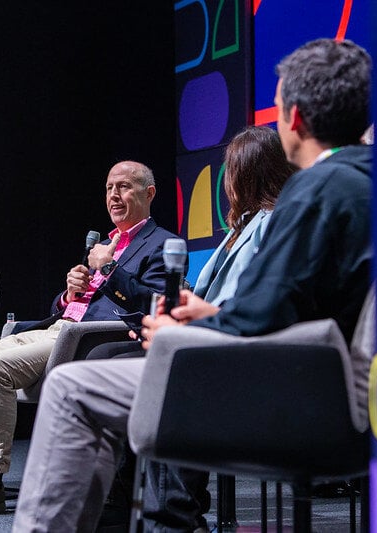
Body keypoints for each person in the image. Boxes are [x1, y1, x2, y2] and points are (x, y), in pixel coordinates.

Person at [12, 37, 372, 532]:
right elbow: (300, 304)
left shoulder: (315, 189)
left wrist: (188, 333)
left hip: (295, 389)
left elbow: (261, 318)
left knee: (73, 387)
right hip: (344, 385)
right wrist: (205, 317)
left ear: (295, 117)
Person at [0, 160, 178, 517]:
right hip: (51, 329)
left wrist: (108, 269)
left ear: (148, 194)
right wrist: (69, 294)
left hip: (84, 341)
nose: (114, 196)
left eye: (124, 187)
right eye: (108, 188)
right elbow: (71, 305)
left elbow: (155, 304)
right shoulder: (104, 243)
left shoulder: (163, 244)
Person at [85, 126, 297, 530]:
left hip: (229, 348)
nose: (225, 182)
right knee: (104, 355)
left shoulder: (271, 225)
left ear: (248, 173)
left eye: (229, 170)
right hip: (204, 336)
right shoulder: (240, 228)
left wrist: (184, 322)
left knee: (144, 369)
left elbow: (250, 303)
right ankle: (125, 497)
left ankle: (173, 513)